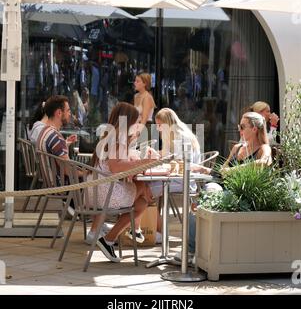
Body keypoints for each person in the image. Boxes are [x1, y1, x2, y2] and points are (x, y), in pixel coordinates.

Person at [179, 112, 272, 263]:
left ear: (254, 129)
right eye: (238, 126)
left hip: (240, 193)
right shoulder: (237, 148)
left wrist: (235, 170)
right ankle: (192, 251)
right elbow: (222, 173)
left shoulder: (263, 148)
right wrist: (204, 169)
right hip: (222, 187)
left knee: (206, 201)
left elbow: (264, 162)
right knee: (201, 200)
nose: (239, 130)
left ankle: (196, 252)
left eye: (242, 126)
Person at [86, 102, 156, 262]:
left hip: (95, 192)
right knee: (144, 195)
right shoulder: (119, 136)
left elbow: (115, 164)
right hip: (107, 194)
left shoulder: (111, 135)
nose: (139, 125)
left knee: (142, 198)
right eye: (137, 121)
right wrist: (145, 162)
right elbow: (116, 166)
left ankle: (117, 236)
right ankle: (128, 231)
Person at [147, 108, 201, 243]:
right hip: (182, 178)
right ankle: (154, 229)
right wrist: (157, 154)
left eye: (159, 125)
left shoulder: (180, 137)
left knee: (144, 190)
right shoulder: (178, 132)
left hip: (184, 180)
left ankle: (157, 231)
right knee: (144, 187)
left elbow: (176, 163)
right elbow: (171, 158)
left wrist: (157, 157)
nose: (158, 129)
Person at [133, 72, 156, 140]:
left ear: (144, 84)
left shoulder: (147, 97)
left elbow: (144, 118)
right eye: (135, 81)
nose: (135, 83)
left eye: (138, 81)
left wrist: (137, 133)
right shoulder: (136, 96)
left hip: (145, 127)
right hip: (137, 126)